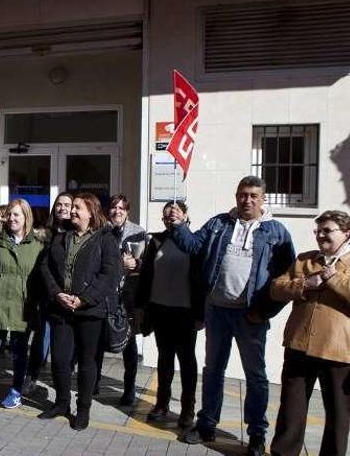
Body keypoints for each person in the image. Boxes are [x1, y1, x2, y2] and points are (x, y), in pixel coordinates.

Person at [171, 176, 295, 456]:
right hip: (217, 311)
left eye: (253, 195)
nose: (247, 200)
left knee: (256, 376)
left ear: (263, 199)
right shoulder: (219, 223)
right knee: (213, 370)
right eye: (242, 194)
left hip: (250, 316)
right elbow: (192, 245)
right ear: (236, 196)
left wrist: (264, 311)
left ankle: (256, 435)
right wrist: (179, 224)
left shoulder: (277, 232)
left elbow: (287, 278)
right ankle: (206, 425)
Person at [270, 210, 350, 456]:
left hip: (337, 350)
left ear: (347, 233)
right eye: (318, 231)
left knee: (338, 412)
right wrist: (305, 284)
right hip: (299, 344)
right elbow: (276, 289)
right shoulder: (305, 260)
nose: (321, 236)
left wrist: (333, 278)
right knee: (291, 408)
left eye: (328, 231)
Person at [38, 192, 120, 430]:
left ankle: (83, 409)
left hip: (90, 311)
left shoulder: (106, 239)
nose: (71, 211)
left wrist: (83, 299)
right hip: (61, 308)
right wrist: (57, 293)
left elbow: (109, 275)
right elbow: (46, 266)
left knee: (87, 362)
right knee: (60, 359)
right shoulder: (62, 237)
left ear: (91, 212)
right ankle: (61, 403)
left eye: (77, 208)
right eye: (72, 207)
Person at [135, 201, 205, 429]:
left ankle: (187, 409)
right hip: (160, 309)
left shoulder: (194, 244)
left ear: (185, 216)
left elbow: (202, 281)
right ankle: (161, 403)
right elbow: (146, 277)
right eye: (166, 215)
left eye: (174, 213)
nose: (170, 218)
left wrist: (201, 313)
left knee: (187, 362)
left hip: (185, 312)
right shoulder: (156, 241)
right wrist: (141, 307)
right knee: (164, 360)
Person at [0, 198, 44, 409]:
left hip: (23, 305)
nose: (12, 218)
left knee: (19, 351)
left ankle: (15, 392)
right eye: (10, 214)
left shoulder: (38, 244)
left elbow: (40, 276)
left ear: (26, 218)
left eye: (17, 215)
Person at [95, 194, 146, 405]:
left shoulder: (138, 232)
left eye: (122, 208)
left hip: (127, 295)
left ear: (127, 211)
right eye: (114, 208)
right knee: (97, 340)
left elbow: (145, 261)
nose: (117, 212)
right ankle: (94, 382)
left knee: (129, 343)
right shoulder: (101, 230)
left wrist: (137, 263)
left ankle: (129, 389)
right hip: (105, 294)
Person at [24, 192, 73, 394]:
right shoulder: (45, 233)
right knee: (41, 339)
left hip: (70, 298)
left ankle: (64, 379)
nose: (62, 208)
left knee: (66, 345)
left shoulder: (76, 233)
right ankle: (32, 376)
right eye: (59, 204)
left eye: (67, 205)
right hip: (46, 296)